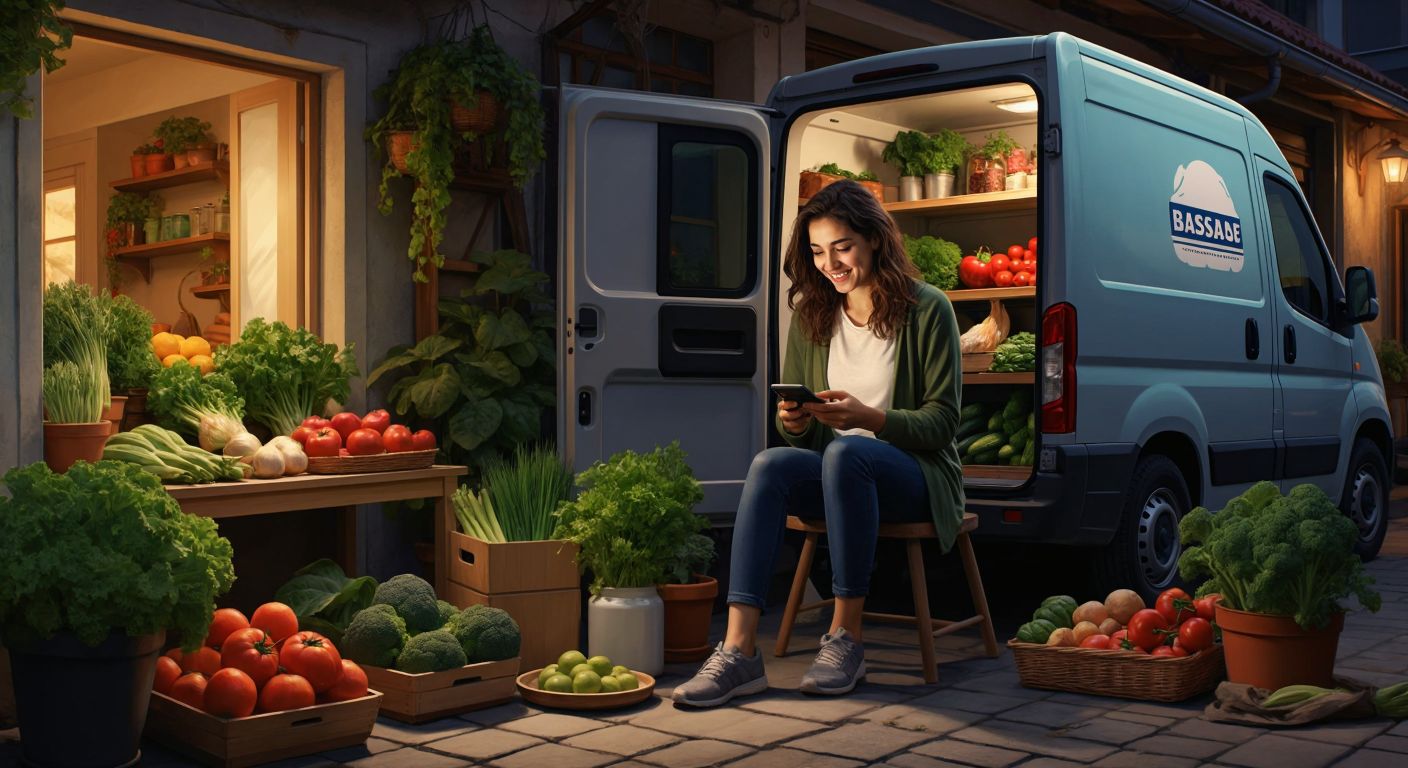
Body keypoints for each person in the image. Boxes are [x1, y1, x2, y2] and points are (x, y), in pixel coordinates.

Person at [672, 179, 966, 708]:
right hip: (839, 471)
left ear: (875, 239)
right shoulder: (813, 315)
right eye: (817, 250)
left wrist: (868, 417)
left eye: (843, 247)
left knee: (848, 450)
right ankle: (739, 652)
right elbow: (798, 436)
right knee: (771, 463)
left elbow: (942, 423)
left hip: (915, 478)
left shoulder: (928, 308)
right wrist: (797, 419)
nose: (830, 263)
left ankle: (846, 640)